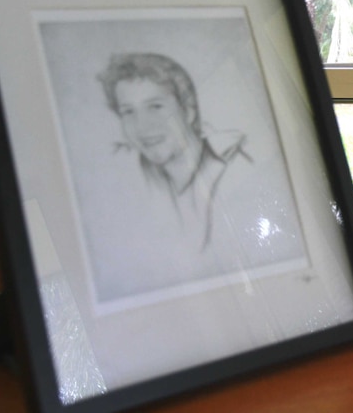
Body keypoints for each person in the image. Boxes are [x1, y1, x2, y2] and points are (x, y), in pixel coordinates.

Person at [90, 52, 305, 302]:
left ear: (189, 110)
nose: (142, 126)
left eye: (155, 106)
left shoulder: (242, 171)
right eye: (128, 112)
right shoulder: (131, 184)